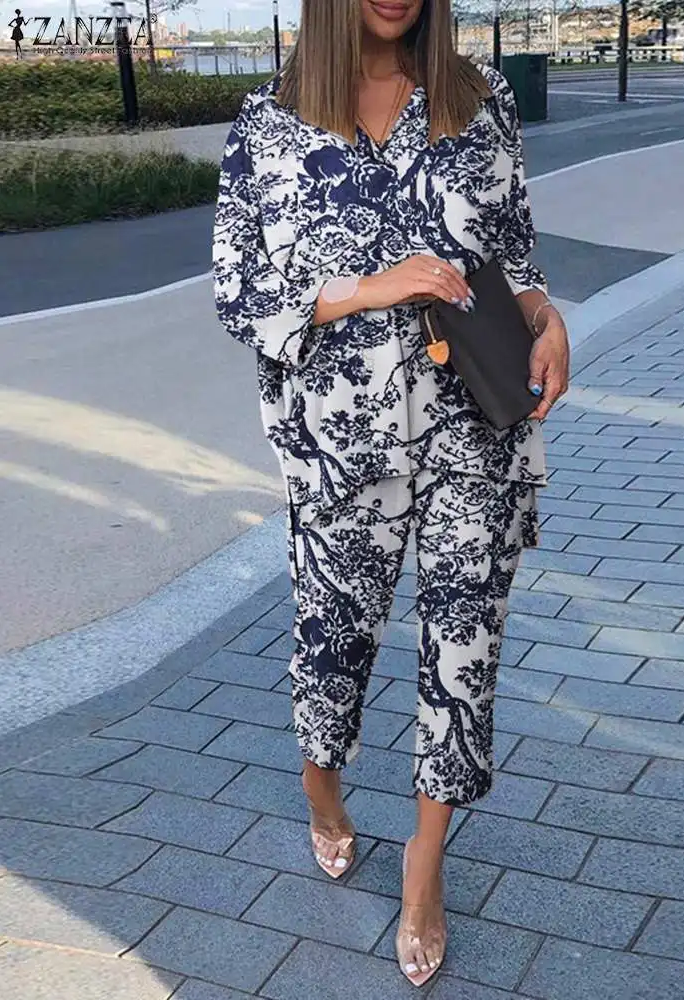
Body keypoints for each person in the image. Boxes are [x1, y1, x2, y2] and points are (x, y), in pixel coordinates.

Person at [213, 0, 569, 987]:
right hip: (338, 437)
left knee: (464, 644)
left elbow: (515, 259)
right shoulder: (268, 123)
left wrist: (547, 321)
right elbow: (238, 292)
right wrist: (366, 287)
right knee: (333, 639)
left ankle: (424, 861)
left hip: (475, 421)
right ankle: (322, 787)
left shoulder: (477, 101)